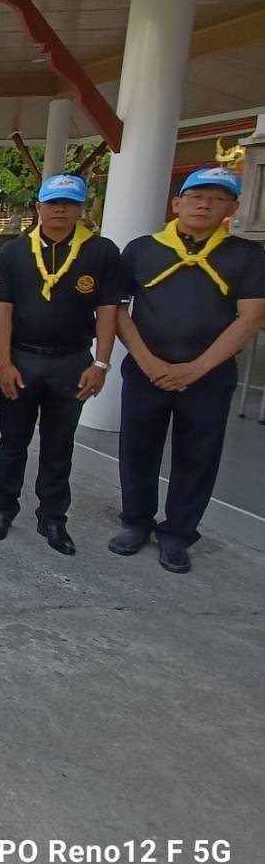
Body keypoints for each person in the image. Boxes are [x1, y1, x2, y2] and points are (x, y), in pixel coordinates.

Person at [110, 167, 265, 574]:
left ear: (232, 208)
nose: (204, 204)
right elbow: (117, 309)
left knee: (198, 456)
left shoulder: (246, 255)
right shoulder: (142, 249)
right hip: (147, 369)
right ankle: (136, 521)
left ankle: (178, 534)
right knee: (137, 449)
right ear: (177, 203)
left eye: (218, 198)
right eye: (196, 196)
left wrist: (197, 368)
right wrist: (147, 360)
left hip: (209, 375)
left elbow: (251, 318)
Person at [0, 173, 123, 554]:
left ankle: (52, 516)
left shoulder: (101, 251)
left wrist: (102, 364)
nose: (60, 209)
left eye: (69, 203)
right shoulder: (14, 252)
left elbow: (108, 310)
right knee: (12, 441)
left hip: (72, 362)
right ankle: (2, 509)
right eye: (52, 203)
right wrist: (3, 363)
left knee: (59, 444)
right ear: (38, 207)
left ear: (82, 208)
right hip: (22, 359)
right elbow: (2, 310)